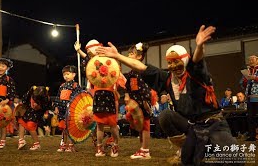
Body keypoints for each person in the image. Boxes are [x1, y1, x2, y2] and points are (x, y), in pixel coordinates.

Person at [96, 25, 238, 165]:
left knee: (234, 158)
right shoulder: (167, 79)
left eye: (177, 62)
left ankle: (199, 149)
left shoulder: (196, 75)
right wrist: (116, 55)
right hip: (192, 127)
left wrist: (199, 46)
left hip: (213, 124)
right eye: (170, 63)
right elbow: (141, 67)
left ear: (185, 61)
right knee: (166, 116)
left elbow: (197, 61)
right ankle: (187, 147)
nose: (173, 66)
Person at [75, 39, 126, 157]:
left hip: (105, 94)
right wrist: (79, 51)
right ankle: (104, 147)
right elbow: (89, 59)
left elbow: (115, 71)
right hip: (102, 94)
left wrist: (79, 51)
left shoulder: (100, 61)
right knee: (102, 124)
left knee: (109, 124)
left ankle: (109, 147)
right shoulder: (97, 61)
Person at [122, 42, 156, 159]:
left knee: (145, 126)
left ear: (139, 57)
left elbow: (147, 88)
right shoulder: (131, 73)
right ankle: (142, 148)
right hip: (135, 103)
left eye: (132, 53)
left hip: (143, 102)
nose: (129, 55)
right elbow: (127, 86)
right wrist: (127, 96)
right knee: (141, 127)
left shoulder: (143, 71)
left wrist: (147, 103)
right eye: (129, 53)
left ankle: (145, 151)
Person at [53, 65, 82, 152]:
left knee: (70, 128)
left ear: (74, 75)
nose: (65, 76)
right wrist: (56, 107)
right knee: (64, 128)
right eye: (64, 74)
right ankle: (63, 144)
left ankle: (71, 145)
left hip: (71, 111)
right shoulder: (62, 86)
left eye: (68, 74)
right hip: (62, 111)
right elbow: (58, 97)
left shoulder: (75, 85)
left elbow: (77, 97)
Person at [17, 86, 51, 150]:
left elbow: (47, 106)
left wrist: (39, 106)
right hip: (29, 110)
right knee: (21, 122)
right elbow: (24, 100)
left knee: (30, 125)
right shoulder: (31, 93)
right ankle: (21, 140)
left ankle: (36, 144)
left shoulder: (46, 97)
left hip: (37, 113)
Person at [241, 55, 258, 141]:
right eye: (249, 60)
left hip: (257, 96)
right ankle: (252, 136)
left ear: (257, 60)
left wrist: (255, 78)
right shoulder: (248, 71)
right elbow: (243, 84)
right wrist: (245, 79)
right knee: (250, 117)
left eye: (252, 59)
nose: (251, 61)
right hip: (250, 97)